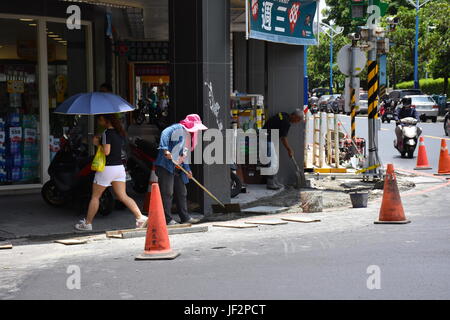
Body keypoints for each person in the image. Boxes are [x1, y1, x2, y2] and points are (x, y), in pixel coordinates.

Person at [75, 114, 147, 231]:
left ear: (106, 120)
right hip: (119, 168)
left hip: (107, 168)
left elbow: (107, 151)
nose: (99, 121)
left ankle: (87, 223)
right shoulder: (120, 132)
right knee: (123, 196)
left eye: (100, 119)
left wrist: (97, 143)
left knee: (95, 197)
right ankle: (140, 218)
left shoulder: (107, 133)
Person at [155, 114, 207, 225]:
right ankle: (167, 219)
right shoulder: (177, 128)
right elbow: (165, 133)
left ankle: (185, 217)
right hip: (165, 166)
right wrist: (165, 149)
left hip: (177, 167)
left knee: (182, 192)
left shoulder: (188, 137)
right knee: (167, 193)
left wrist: (188, 169)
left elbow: (184, 155)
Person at [263, 109, 304, 190]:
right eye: (298, 120)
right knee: (272, 161)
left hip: (267, 137)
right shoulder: (286, 122)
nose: (297, 122)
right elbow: (283, 138)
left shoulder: (283, 114)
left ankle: (274, 181)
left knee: (274, 161)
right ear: (294, 116)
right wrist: (289, 149)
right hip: (266, 138)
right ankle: (271, 183)